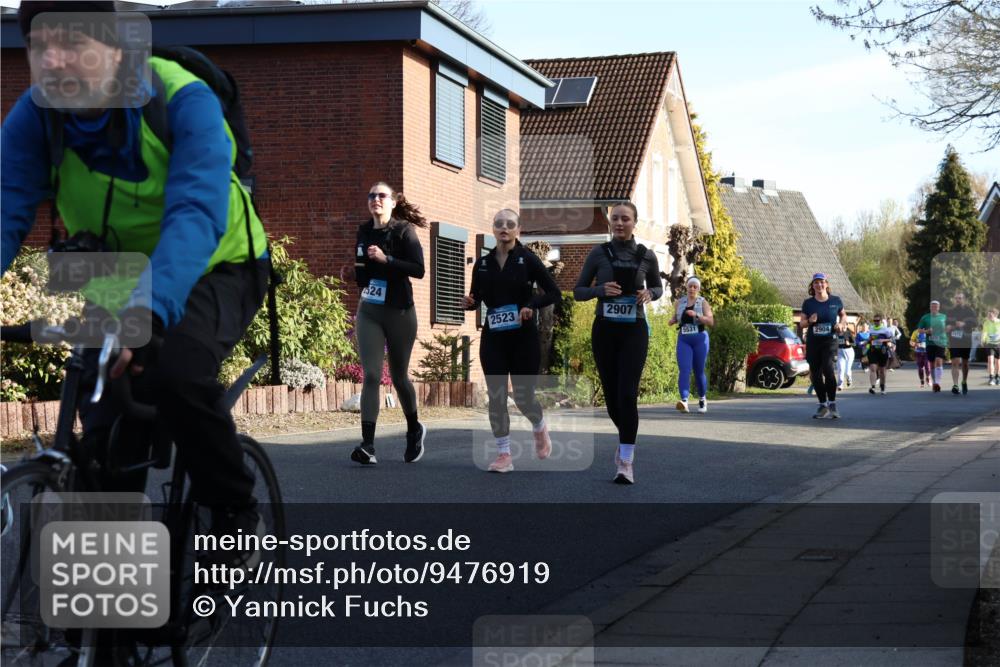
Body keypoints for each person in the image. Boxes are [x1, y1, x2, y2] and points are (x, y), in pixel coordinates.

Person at [3, 1, 270, 562]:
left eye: (72, 43)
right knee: (104, 428)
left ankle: (234, 512)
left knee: (175, 373)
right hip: (114, 273)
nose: (52, 60)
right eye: (38, 45)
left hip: (217, 263)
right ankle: (115, 596)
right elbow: (4, 210)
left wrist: (148, 311)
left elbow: (196, 213)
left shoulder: (181, 98)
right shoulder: (36, 116)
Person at [461, 209, 560, 473]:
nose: (504, 228)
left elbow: (554, 293)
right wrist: (469, 303)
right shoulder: (482, 263)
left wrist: (530, 305)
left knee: (524, 397)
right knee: (496, 395)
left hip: (523, 336)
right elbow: (476, 297)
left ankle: (539, 427)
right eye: (499, 224)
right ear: (493, 229)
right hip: (494, 336)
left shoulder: (528, 259)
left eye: (510, 224)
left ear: (519, 230)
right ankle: (504, 454)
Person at [574, 202, 662, 484]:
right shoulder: (599, 253)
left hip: (634, 331)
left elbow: (658, 287)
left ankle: (626, 460)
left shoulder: (646, 255)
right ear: (610, 222)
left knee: (627, 394)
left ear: (635, 222)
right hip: (605, 331)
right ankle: (626, 438)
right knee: (612, 399)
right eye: (615, 219)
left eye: (625, 218)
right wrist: (600, 290)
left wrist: (650, 294)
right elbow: (578, 291)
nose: (620, 223)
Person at [350, 182, 427, 465]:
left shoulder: (404, 231)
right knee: (371, 375)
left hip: (400, 311)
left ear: (393, 202)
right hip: (369, 310)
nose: (376, 199)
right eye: (371, 195)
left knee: (399, 377)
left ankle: (414, 428)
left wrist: (387, 259)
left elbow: (419, 269)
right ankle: (368, 446)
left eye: (382, 195)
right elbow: (361, 271)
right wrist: (357, 272)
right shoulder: (363, 231)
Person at [800, 273, 846, 419]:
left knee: (828, 369)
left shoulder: (835, 300)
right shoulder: (808, 303)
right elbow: (802, 323)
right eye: (816, 282)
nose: (819, 285)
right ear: (812, 286)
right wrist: (810, 321)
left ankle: (832, 403)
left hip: (830, 341)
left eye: (822, 282)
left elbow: (843, 315)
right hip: (814, 342)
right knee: (816, 374)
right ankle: (822, 405)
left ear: (826, 284)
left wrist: (841, 324)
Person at [669, 276, 714, 413]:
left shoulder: (703, 302)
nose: (692, 289)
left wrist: (697, 315)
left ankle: (702, 398)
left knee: (699, 371)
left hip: (700, 339)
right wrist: (673, 320)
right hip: (684, 339)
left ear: (698, 289)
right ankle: (684, 401)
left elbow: (711, 321)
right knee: (684, 369)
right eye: (690, 286)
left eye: (695, 287)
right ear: (686, 287)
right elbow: (677, 316)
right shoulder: (679, 302)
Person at [945, 291, 977, 395]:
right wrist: (948, 327)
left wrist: (964, 324)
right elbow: (946, 324)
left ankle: (964, 381)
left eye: (960, 298)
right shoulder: (950, 311)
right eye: (956, 298)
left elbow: (975, 323)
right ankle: (955, 385)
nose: (958, 300)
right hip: (954, 340)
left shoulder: (969, 310)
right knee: (955, 362)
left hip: (965, 340)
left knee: (965, 363)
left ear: (964, 299)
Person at [916, 300, 948, 392]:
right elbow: (919, 330)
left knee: (939, 361)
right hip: (930, 343)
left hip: (941, 342)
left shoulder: (944, 317)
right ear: (930, 307)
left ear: (939, 308)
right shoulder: (925, 317)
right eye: (932, 306)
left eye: (935, 306)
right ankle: (934, 383)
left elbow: (949, 327)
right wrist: (926, 331)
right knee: (932, 364)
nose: (934, 308)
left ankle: (937, 382)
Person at [866, 315, 896, 395]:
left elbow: (892, 339)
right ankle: (873, 387)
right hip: (873, 351)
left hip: (882, 351)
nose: (876, 322)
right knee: (873, 368)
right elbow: (870, 339)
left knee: (882, 370)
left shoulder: (885, 329)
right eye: (874, 320)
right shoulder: (871, 329)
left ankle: (882, 387)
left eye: (877, 320)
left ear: (881, 321)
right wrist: (866, 342)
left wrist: (883, 340)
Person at [981, 307, 1000, 386]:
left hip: (998, 344)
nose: (989, 316)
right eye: (988, 315)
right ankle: (991, 378)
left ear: (995, 315)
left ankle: (997, 377)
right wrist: (982, 340)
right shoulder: (986, 323)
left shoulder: (999, 322)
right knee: (990, 360)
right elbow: (984, 332)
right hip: (989, 344)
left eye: (990, 315)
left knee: (998, 362)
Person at [836, 324, 856, 389]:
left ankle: (849, 378)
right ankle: (840, 384)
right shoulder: (835, 334)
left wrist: (849, 343)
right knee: (841, 369)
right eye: (842, 325)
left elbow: (855, 343)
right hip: (840, 352)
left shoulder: (848, 333)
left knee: (847, 370)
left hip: (849, 352)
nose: (843, 327)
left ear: (846, 326)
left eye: (845, 325)